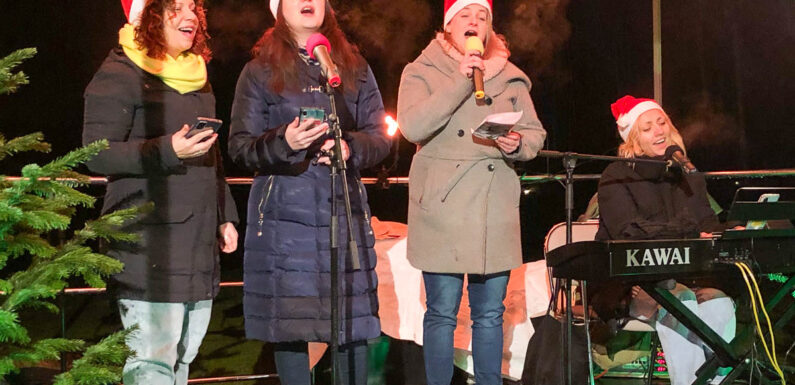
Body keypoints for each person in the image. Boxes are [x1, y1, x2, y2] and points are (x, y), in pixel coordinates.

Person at [227, 0, 391, 384]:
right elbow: (240, 146)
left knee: (352, 323)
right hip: (284, 220)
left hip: (343, 211)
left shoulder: (353, 67)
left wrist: (349, 147)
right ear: (279, 9)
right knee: (291, 328)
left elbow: (381, 137)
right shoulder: (259, 71)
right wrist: (285, 141)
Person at [82, 0, 239, 384]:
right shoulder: (120, 72)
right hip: (146, 245)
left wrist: (225, 216)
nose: (190, 17)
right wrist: (168, 150)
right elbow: (96, 153)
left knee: (182, 360)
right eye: (176, 8)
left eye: (193, 8)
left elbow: (212, 154)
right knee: (152, 365)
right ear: (149, 16)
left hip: (197, 244)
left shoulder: (196, 75)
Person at [396, 0, 547, 383]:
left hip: (493, 207)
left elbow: (534, 133)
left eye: (482, 17)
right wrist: (461, 80)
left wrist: (517, 144)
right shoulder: (422, 70)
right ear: (448, 26)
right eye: (465, 15)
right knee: (442, 312)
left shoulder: (510, 76)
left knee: (490, 314)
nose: (475, 22)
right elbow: (413, 127)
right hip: (443, 204)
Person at [596, 95, 736, 385]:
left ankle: (711, 381)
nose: (659, 131)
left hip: (684, 278)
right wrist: (690, 234)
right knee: (680, 300)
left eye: (662, 123)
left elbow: (706, 223)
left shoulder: (686, 174)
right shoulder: (616, 175)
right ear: (633, 138)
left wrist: (735, 229)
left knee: (720, 303)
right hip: (630, 285)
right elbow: (628, 233)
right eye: (647, 128)